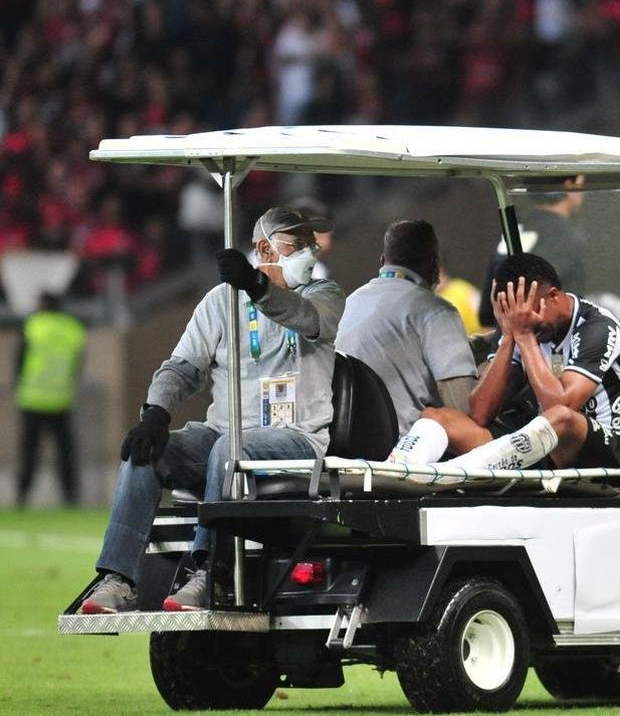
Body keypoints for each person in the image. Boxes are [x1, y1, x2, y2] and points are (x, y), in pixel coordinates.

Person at [79, 206, 344, 614]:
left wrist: (256, 285)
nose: (310, 251)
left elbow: (306, 320)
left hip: (297, 439)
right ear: (264, 248)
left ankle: (208, 573)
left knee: (228, 452)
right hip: (226, 435)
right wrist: (156, 414)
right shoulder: (222, 302)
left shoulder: (323, 295)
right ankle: (119, 578)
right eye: (298, 244)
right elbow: (181, 368)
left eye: (311, 243)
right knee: (149, 450)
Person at [396, 252, 620, 471]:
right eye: (514, 317)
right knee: (437, 417)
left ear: (553, 296)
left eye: (529, 314)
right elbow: (480, 413)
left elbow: (561, 406)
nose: (525, 322)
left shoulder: (597, 328)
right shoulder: (519, 324)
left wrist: (523, 335)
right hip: (537, 448)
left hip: (605, 453)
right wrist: (510, 336)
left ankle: (463, 471)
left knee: (562, 419)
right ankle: (400, 468)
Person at [335, 220, 478, 433]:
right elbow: (463, 408)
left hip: (351, 443)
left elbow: (404, 348)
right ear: (434, 264)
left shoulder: (349, 303)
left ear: (383, 260)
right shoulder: (436, 310)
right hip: (406, 451)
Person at [478, 175, 586, 328]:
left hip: (503, 336)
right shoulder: (565, 237)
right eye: (582, 184)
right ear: (569, 185)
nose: (584, 192)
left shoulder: (513, 227)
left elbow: (486, 314)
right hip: (542, 343)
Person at [14, 292, 87, 507]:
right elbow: (78, 364)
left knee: (29, 451)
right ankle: (71, 496)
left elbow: (19, 360)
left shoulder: (32, 325)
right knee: (65, 452)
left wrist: (18, 386)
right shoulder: (73, 329)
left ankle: (22, 495)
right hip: (62, 398)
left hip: (32, 398)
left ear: (42, 305)